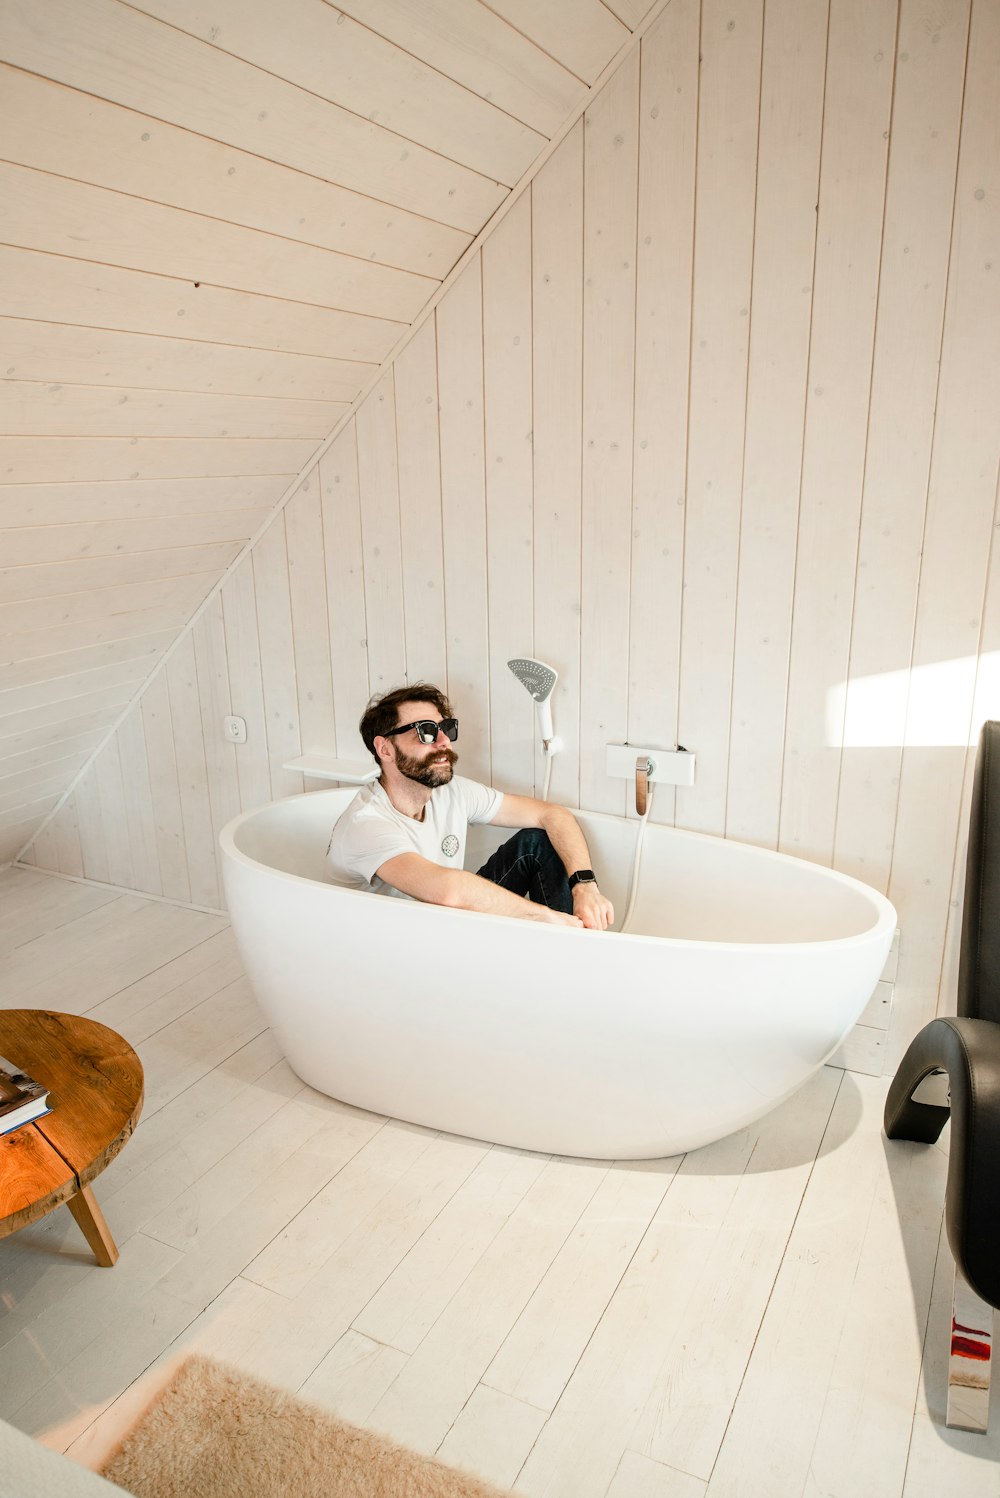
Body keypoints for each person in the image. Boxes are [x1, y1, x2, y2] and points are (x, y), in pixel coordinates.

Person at [326, 684, 614, 930]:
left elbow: (552, 814)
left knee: (535, 842)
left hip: (446, 925)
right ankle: (562, 952)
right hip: (400, 949)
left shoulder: (451, 792)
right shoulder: (367, 824)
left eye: (445, 728)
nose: (443, 741)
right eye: (425, 732)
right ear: (385, 749)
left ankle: (566, 955)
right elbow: (449, 890)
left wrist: (585, 885)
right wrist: (546, 917)